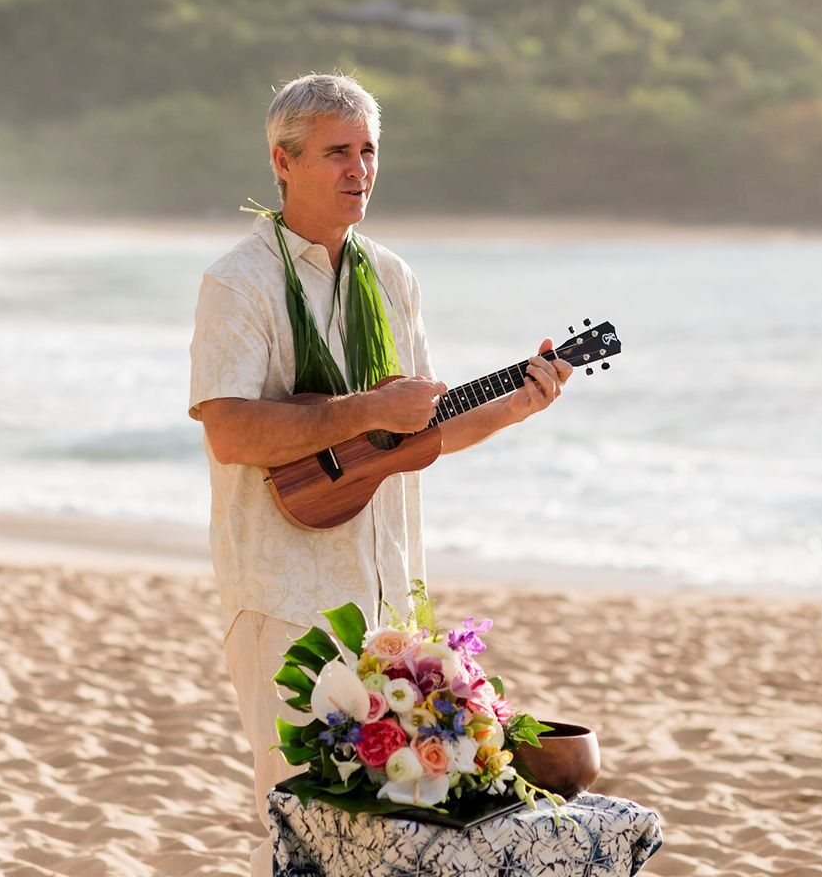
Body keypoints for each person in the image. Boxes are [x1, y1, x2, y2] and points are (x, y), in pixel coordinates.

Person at [187, 73, 571, 876]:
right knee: (303, 827)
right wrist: (363, 410)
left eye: (368, 151)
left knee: (397, 832)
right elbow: (230, 430)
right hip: (284, 598)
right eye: (336, 152)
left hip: (392, 596)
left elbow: (412, 431)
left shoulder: (391, 276)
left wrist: (516, 405)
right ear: (282, 161)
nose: (358, 169)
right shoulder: (240, 280)